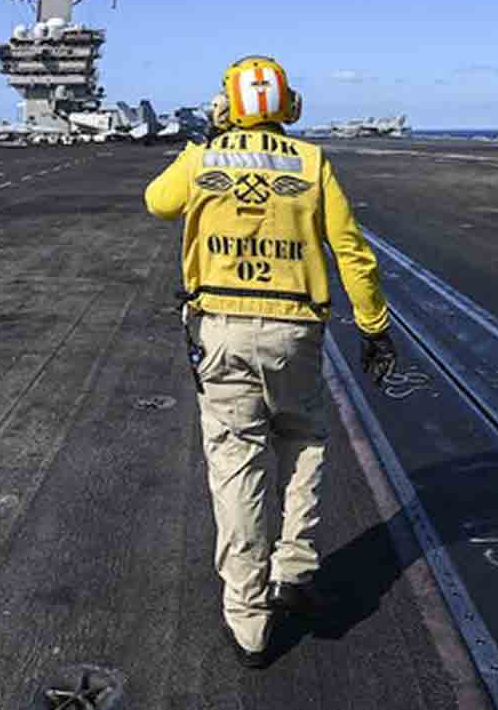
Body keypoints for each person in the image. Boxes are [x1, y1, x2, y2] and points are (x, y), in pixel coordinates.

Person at [144, 56, 398, 669]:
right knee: (304, 442)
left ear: (226, 105)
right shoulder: (311, 163)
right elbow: (350, 250)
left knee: (236, 465)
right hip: (295, 333)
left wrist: (201, 147)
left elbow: (158, 202)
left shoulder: (204, 160)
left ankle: (250, 618)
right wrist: (375, 328)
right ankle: (295, 571)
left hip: (222, 332)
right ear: (288, 106)